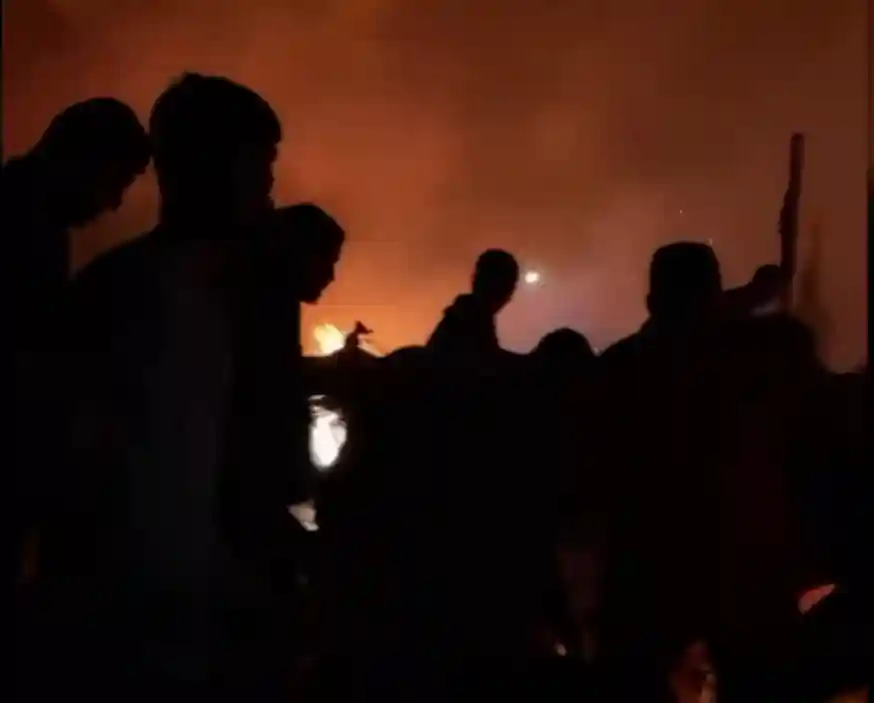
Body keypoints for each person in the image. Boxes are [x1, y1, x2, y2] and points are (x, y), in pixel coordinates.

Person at [49, 73, 281, 699]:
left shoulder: (154, 290)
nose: (268, 187)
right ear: (220, 169)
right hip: (133, 649)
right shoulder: (146, 300)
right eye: (261, 163)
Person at [4, 98, 150, 587]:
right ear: (86, 160)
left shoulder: (34, 217)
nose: (114, 204)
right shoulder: (24, 223)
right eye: (117, 183)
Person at [427, 248, 519, 359]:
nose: (509, 299)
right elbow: (486, 362)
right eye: (511, 286)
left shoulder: (461, 314)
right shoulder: (475, 318)